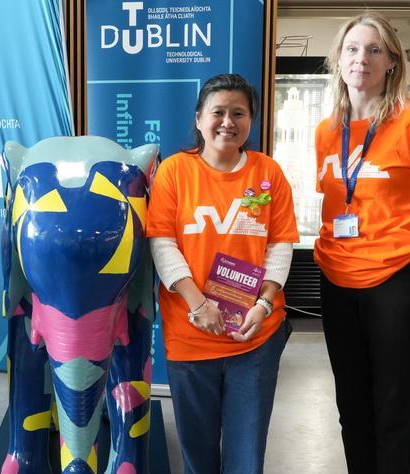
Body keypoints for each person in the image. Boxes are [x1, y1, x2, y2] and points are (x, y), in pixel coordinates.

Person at [315, 12, 410, 473]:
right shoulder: (327, 131)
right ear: (340, 60)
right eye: (353, 49)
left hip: (397, 281)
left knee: (394, 406)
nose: (362, 59)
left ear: (392, 64)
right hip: (336, 276)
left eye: (374, 50)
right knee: (351, 404)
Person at [147, 73, 299, 474]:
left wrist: (264, 305)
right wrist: (199, 306)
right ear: (199, 119)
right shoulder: (174, 172)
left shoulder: (268, 173)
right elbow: (162, 244)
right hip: (191, 335)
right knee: (196, 452)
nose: (228, 122)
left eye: (239, 113)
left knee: (247, 454)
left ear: (251, 121)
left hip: (255, 337)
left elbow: (280, 246)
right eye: (218, 112)